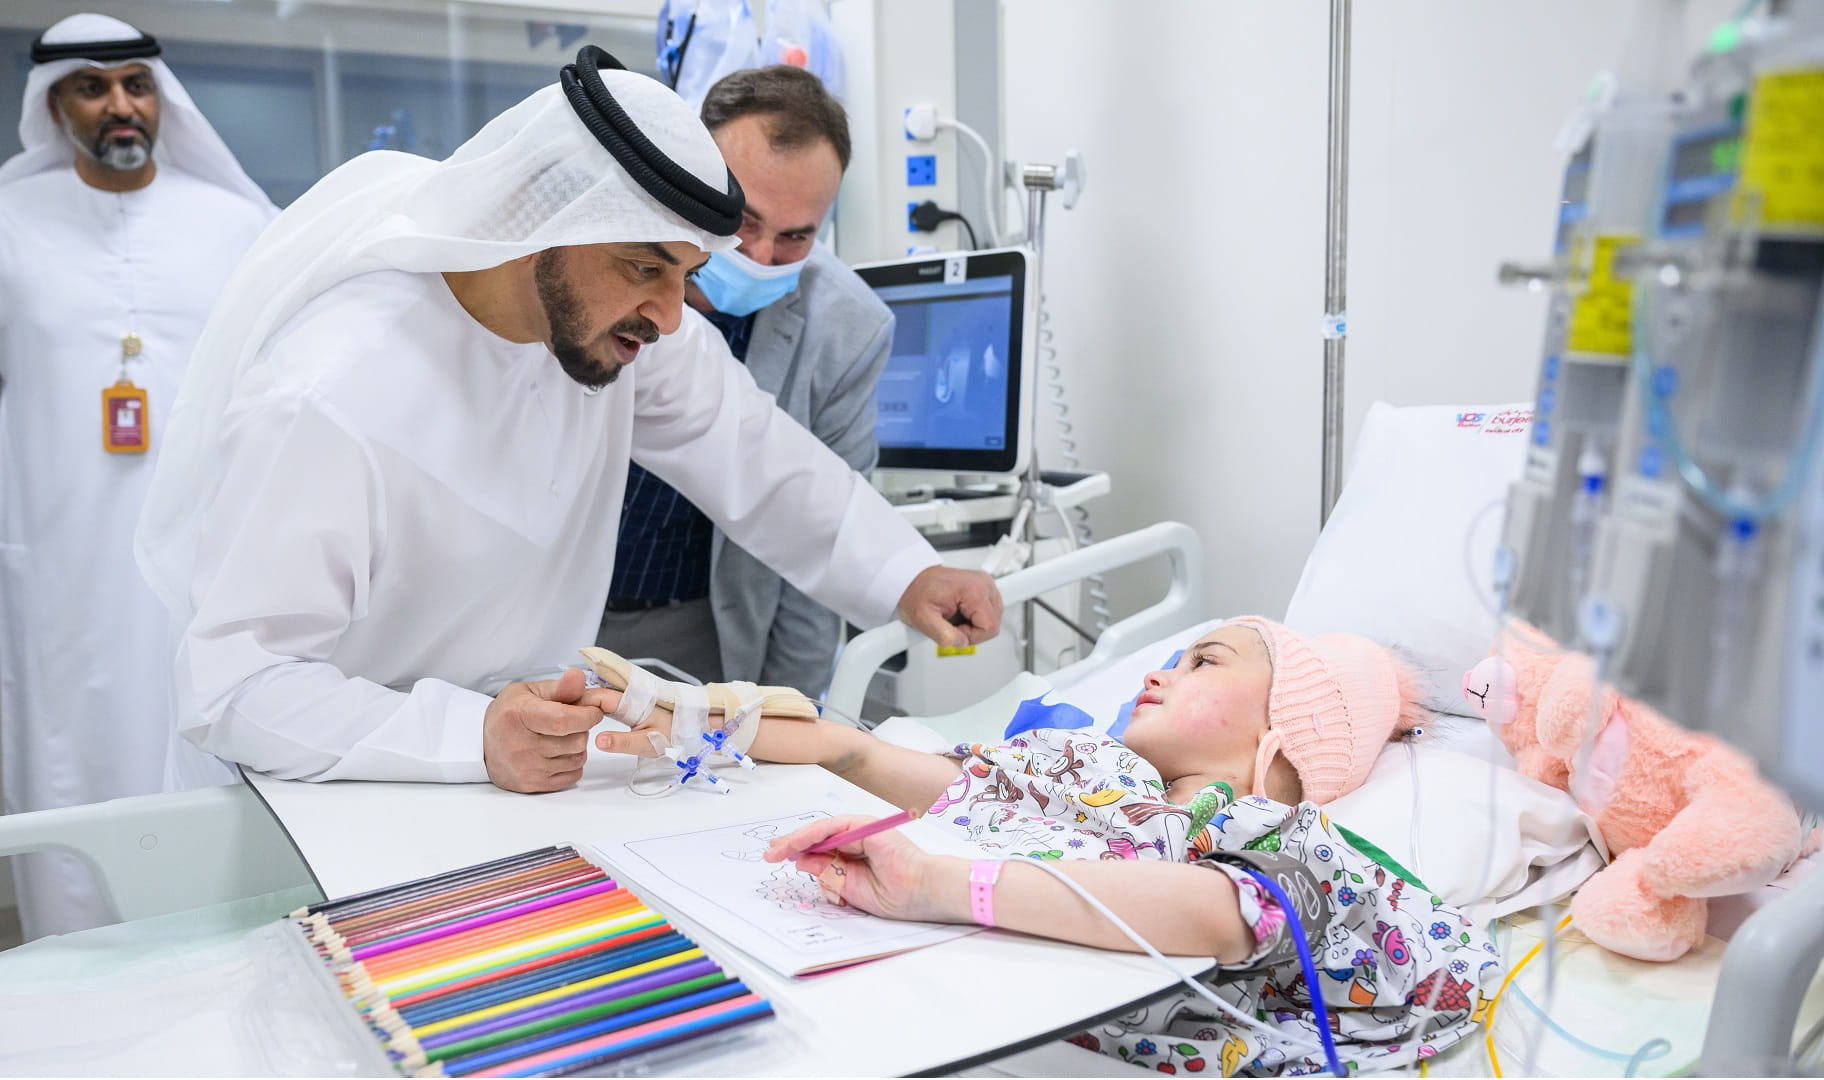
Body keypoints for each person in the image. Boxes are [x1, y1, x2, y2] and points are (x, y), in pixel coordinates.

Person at [132, 47, 1001, 794]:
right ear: (543, 223)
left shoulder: (618, 328)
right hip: (344, 788)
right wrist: (466, 737)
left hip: (527, 777)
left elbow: (760, 457)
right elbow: (236, 687)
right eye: (643, 268)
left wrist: (904, 574)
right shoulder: (327, 398)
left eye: (685, 275)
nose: (669, 315)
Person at [594, 617, 1504, 1075]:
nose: (1157, 669)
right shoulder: (1082, 774)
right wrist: (699, 720)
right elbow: (865, 753)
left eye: (1204, 663)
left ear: (1286, 736)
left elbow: (1214, 915)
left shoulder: (1277, 834)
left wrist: (940, 884)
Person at [0, 13, 276, 939]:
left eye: (137, 84)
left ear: (162, 98)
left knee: (207, 731)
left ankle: (225, 945)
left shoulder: (237, 224)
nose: (120, 105)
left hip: (208, 551)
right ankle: (76, 951)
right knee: (69, 747)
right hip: (62, 553)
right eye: (93, 87)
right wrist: (55, 457)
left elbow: (273, 376)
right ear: (55, 106)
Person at [599, 65, 890, 694]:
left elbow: (817, 544)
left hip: (700, 624)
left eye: (795, 236)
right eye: (744, 221)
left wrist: (801, 724)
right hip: (555, 598)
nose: (759, 258)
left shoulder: (847, 327)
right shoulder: (605, 262)